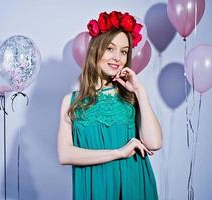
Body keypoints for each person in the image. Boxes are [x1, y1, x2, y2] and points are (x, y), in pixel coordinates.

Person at [57, 11, 162, 200]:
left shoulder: (132, 97)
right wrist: (118, 153)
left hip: (134, 186)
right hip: (94, 188)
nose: (117, 57)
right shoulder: (71, 102)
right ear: (96, 50)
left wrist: (140, 91)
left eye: (124, 51)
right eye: (110, 48)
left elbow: (154, 143)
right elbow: (65, 154)